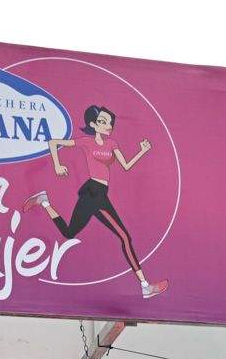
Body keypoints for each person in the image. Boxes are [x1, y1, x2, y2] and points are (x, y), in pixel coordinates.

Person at [21, 104, 169, 300]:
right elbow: (53, 143)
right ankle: (144, 286)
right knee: (124, 236)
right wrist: (57, 165)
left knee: (69, 232)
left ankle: (45, 201)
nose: (108, 125)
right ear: (93, 124)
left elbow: (125, 166)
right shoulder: (86, 142)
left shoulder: (112, 144)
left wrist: (142, 151)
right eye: (103, 122)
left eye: (110, 123)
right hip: (93, 192)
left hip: (99, 193)